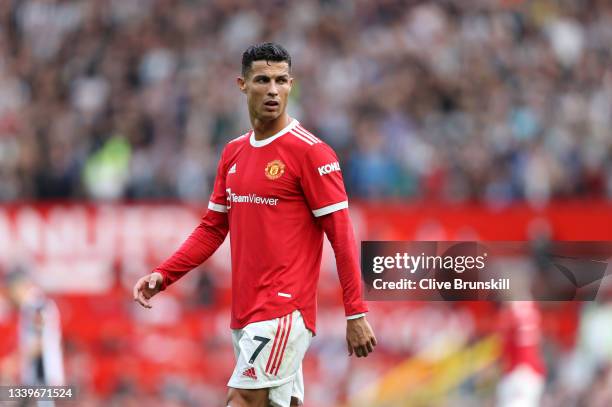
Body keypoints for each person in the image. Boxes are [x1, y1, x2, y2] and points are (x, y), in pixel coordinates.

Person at [133, 42, 377, 407]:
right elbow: (213, 228)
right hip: (246, 311)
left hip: (283, 310)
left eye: (282, 80)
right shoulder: (233, 152)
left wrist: (355, 311)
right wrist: (164, 274)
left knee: (243, 399)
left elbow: (341, 234)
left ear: (292, 84)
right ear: (242, 84)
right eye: (263, 80)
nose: (274, 90)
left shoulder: (311, 152)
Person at [5, 267, 65, 407]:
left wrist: (13, 362)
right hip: (36, 375)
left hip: (41, 374)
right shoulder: (31, 307)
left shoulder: (37, 306)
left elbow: (39, 343)